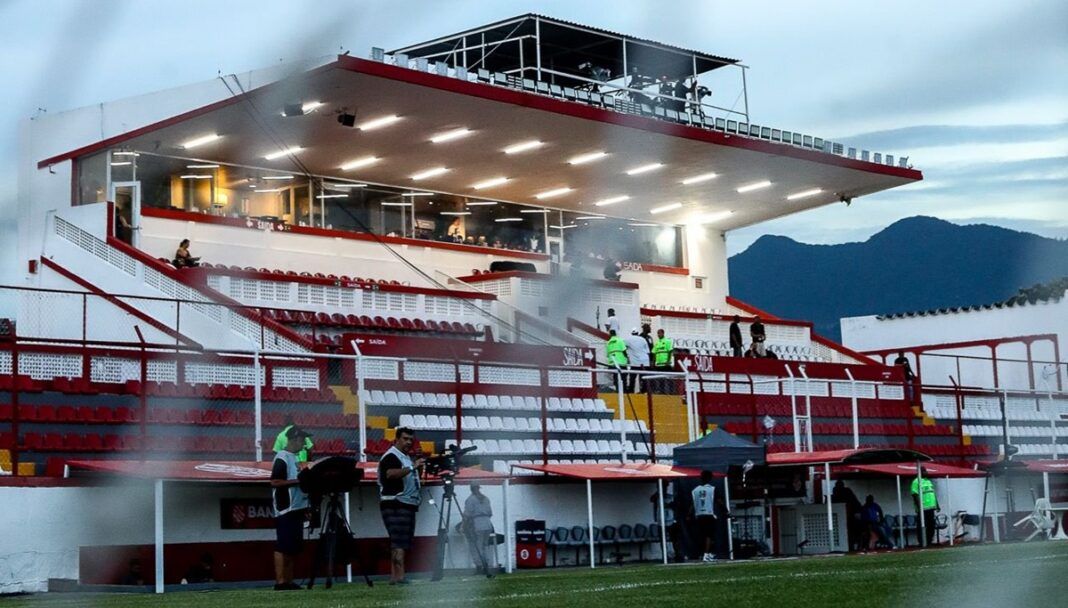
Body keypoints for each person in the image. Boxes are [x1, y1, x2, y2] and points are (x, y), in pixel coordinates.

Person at [378, 427, 426, 585]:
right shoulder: (392, 456)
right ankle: (400, 577)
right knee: (399, 542)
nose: (408, 442)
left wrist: (417, 470)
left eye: (410, 439)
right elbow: (390, 474)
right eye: (405, 439)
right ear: (397, 439)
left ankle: (395, 577)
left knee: (399, 542)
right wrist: (413, 467)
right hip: (396, 502)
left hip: (405, 502)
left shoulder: (405, 457)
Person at [271, 426, 311, 591]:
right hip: (285, 508)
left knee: (292, 547)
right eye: (303, 440)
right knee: (283, 546)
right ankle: (281, 581)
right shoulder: (282, 458)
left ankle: (288, 580)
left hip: (296, 507)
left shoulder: (294, 458)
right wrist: (297, 482)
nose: (305, 444)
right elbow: (275, 482)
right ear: (295, 439)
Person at [462, 483, 496, 576]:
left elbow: (467, 514)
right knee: (485, 546)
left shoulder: (470, 499)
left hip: (476, 523)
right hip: (487, 523)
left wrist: (463, 526)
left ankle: (480, 566)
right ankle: (487, 565)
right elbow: (490, 513)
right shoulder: (486, 498)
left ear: (471, 489)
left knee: (476, 546)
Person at [690, 471, 717, 562]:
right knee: (709, 535)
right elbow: (719, 501)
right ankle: (706, 554)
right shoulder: (712, 489)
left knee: (702, 535)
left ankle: (705, 553)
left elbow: (692, 504)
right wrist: (726, 511)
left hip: (699, 515)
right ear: (710, 478)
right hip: (709, 514)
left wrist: (689, 514)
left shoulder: (695, 490)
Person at [831, 479, 863, 551]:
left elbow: (854, 502)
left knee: (850, 532)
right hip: (843, 514)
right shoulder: (842, 491)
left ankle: (851, 546)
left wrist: (857, 512)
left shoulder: (845, 491)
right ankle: (850, 546)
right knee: (849, 532)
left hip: (848, 514)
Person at [911, 468, 939, 546]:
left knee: (931, 525)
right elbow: (915, 494)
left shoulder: (928, 481)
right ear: (920, 472)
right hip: (923, 508)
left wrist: (937, 505)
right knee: (922, 525)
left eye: (926, 471)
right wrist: (920, 506)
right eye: (924, 471)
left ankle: (929, 541)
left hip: (931, 507)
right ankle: (922, 542)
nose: (926, 472)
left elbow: (932, 494)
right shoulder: (916, 482)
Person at [624, 328, 651, 393]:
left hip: (634, 363)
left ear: (632, 333)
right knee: (644, 378)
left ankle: (631, 392)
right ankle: (644, 392)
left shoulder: (628, 339)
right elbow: (648, 352)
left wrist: (626, 356)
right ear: (638, 333)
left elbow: (623, 348)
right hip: (644, 362)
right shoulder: (643, 339)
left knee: (632, 379)